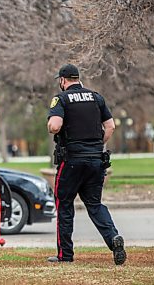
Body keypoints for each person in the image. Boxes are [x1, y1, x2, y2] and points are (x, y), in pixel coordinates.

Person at [47, 63, 126, 265]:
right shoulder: (96, 97)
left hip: (72, 161)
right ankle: (113, 238)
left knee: (64, 205)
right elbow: (111, 126)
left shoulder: (61, 98)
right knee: (94, 204)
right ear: (78, 78)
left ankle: (65, 255)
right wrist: (98, 144)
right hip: (95, 161)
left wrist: (51, 125)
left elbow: (55, 126)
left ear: (63, 80)